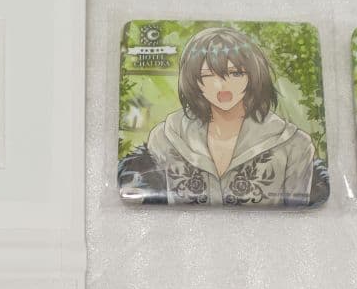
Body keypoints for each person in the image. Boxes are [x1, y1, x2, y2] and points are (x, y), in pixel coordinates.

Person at [118, 26, 321, 207]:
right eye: (208, 75)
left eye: (236, 73)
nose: (222, 85)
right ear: (193, 80)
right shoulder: (164, 138)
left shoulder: (295, 145)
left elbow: (297, 216)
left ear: (253, 76)